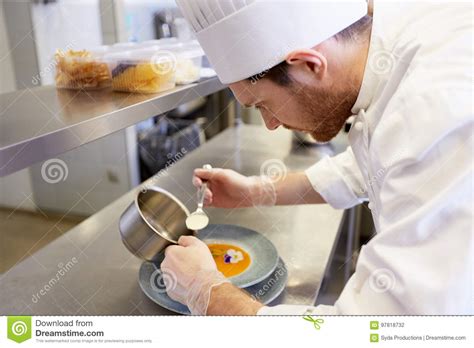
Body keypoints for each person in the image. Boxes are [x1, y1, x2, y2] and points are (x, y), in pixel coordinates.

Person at [161, 0, 473, 315]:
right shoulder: (403, 39)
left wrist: (205, 291)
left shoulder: (436, 109)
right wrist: (257, 190)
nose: (270, 124)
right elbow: (373, 166)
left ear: (309, 64)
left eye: (262, 104)